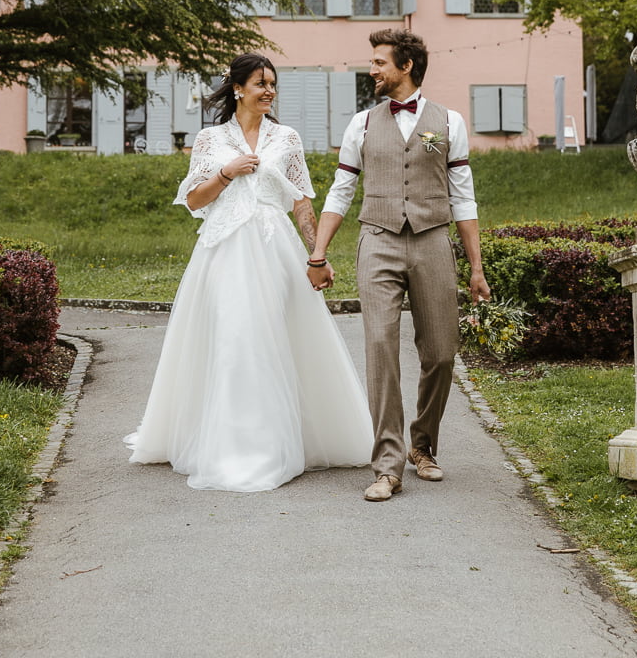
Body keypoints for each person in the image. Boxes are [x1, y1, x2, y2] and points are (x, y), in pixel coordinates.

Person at [125, 53, 372, 492]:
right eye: (261, 83)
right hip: (224, 251)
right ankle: (236, 445)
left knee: (283, 336)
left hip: (275, 247)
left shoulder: (287, 138)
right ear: (238, 88)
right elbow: (196, 201)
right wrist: (226, 171)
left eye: (273, 83)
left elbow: (300, 201)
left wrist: (317, 253)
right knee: (235, 338)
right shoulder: (209, 139)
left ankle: (293, 437)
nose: (269, 90)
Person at [306, 29, 491, 502]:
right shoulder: (361, 124)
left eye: (379, 63)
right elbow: (341, 191)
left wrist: (476, 266)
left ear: (406, 66)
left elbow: (464, 197)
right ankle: (387, 465)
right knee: (381, 350)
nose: (372, 71)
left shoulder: (449, 122)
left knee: (441, 353)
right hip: (378, 241)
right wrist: (318, 251)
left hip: (432, 241)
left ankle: (422, 445)